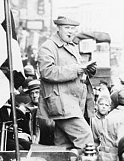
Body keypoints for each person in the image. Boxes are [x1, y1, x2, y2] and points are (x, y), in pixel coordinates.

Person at [37, 16, 95, 150]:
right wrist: (76, 69)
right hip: (62, 103)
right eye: (67, 28)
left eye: (73, 28)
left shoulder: (71, 46)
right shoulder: (48, 47)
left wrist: (88, 70)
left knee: (63, 146)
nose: (71, 31)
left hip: (72, 103)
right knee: (86, 140)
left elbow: (76, 70)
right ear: (58, 28)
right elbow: (46, 72)